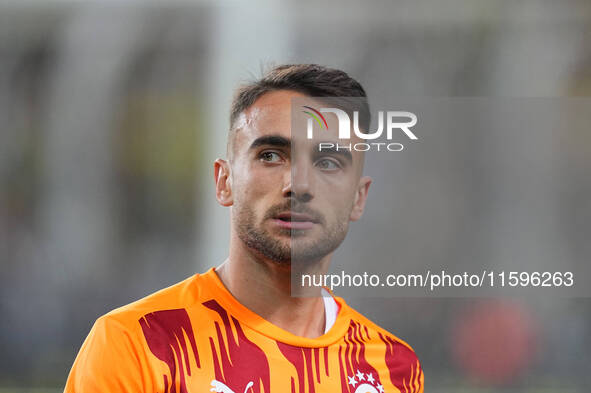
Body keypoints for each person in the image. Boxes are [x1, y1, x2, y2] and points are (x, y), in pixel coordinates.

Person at [64, 64, 424, 393]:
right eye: (271, 155)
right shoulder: (136, 344)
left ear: (358, 198)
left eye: (328, 161)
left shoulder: (394, 371)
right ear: (224, 181)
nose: (298, 184)